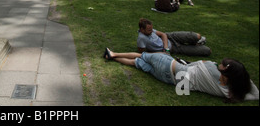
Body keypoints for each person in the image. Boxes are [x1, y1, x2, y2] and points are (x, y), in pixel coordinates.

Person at [103, 48, 258, 103]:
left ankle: (113, 53)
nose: (219, 65)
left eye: (222, 66)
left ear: (226, 73)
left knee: (142, 55)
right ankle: (113, 58)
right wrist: (241, 77)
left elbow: (202, 62)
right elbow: (255, 94)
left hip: (171, 66)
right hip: (170, 80)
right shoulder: (228, 92)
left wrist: (242, 75)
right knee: (136, 63)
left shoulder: (212, 69)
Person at [137, 18, 211, 56]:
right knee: (207, 51)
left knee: (197, 36)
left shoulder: (150, 30)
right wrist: (163, 52)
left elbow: (163, 34)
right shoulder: (142, 38)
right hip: (174, 48)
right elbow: (143, 54)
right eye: (149, 30)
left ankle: (196, 41)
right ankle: (196, 44)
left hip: (170, 37)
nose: (151, 31)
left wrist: (166, 48)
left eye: (151, 29)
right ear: (142, 29)